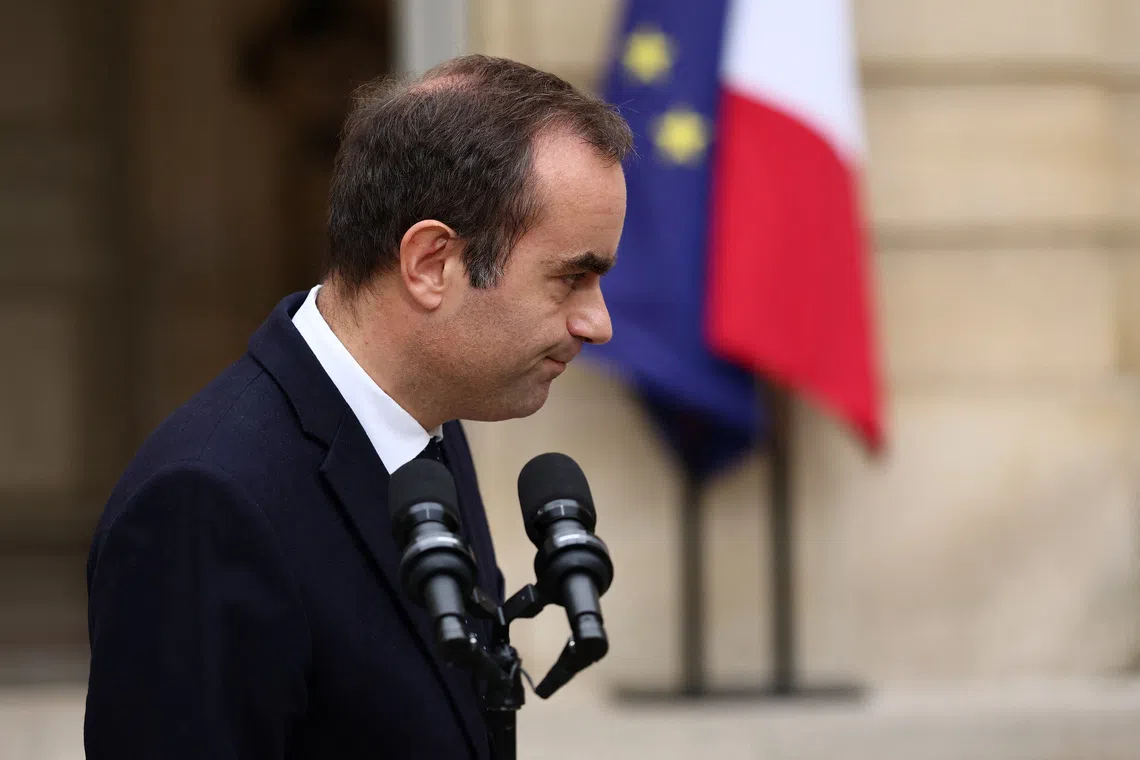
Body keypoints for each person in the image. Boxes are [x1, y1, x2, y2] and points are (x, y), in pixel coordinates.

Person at [83, 54, 630, 760]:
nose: (598, 323)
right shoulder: (203, 504)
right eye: (573, 277)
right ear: (430, 263)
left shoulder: (427, 428)